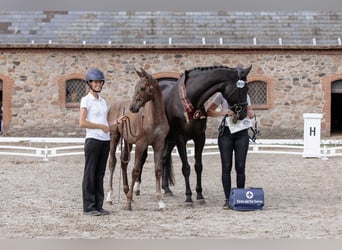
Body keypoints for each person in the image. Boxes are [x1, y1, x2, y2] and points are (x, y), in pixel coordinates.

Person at [79, 68, 126, 216]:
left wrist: (116, 122)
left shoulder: (103, 101)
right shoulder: (86, 100)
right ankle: (88, 207)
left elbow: (105, 123)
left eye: (100, 82)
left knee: (100, 174)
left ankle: (98, 205)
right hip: (93, 140)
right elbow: (82, 122)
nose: (98, 84)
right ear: (89, 83)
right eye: (96, 82)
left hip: (105, 140)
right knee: (90, 174)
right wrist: (101, 127)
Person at [207, 92, 255, 210]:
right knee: (226, 166)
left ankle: (240, 196)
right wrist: (224, 113)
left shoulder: (245, 95)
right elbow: (209, 111)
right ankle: (227, 198)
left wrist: (251, 114)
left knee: (240, 166)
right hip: (226, 133)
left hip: (242, 132)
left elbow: (250, 111)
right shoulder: (221, 96)